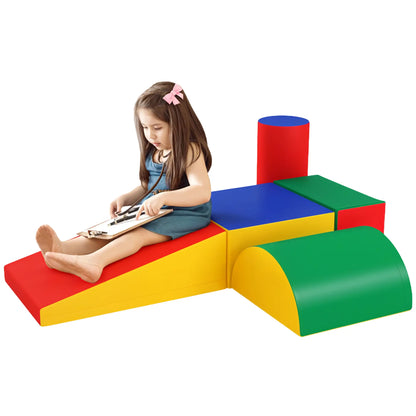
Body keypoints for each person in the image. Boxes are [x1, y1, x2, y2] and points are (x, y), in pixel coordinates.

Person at [36, 82, 212, 283]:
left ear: (178, 123)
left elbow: (202, 191)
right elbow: (148, 187)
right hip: (155, 211)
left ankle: (94, 263)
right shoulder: (156, 152)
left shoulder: (189, 150)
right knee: (111, 230)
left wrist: (164, 198)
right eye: (145, 127)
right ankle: (63, 249)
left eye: (157, 127)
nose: (150, 135)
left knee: (137, 234)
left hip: (187, 214)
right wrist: (127, 198)